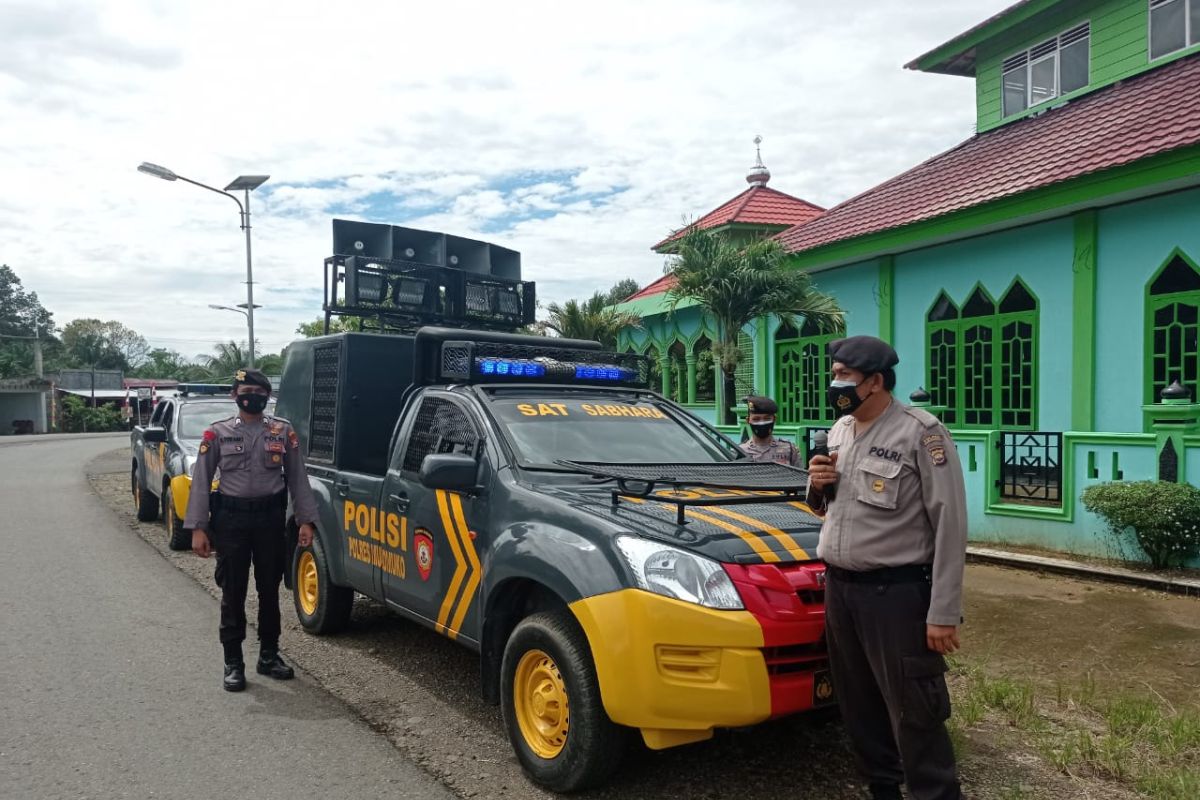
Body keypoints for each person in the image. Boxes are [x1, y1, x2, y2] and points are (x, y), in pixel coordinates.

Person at [805, 336, 968, 800]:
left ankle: (934, 793)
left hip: (895, 595)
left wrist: (943, 612)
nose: (835, 383)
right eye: (834, 373)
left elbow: (950, 524)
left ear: (875, 381)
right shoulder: (840, 430)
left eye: (844, 375)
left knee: (915, 710)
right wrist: (817, 486)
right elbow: (829, 509)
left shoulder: (921, 433)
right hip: (842, 589)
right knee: (858, 704)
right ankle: (882, 788)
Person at [184, 368, 320, 692]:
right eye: (247, 390)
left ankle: (269, 655)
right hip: (231, 522)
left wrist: (306, 521)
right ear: (235, 395)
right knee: (233, 592)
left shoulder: (282, 432)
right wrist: (198, 528)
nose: (253, 396)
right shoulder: (216, 434)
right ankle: (233, 663)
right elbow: (201, 482)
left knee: (269, 591)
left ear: (267, 396)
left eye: (260, 391)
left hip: (270, 521)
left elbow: (298, 479)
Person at [737, 395, 800, 466]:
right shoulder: (739, 452)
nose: (761, 423)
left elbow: (801, 475)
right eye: (756, 419)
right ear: (748, 420)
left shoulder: (790, 450)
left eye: (767, 419)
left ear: (774, 419)